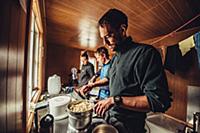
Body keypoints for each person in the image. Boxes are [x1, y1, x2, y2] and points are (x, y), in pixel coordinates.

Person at [80, 8, 172, 133]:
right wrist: (93, 84)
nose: (105, 43)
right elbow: (111, 79)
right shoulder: (116, 57)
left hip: (130, 126)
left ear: (122, 30)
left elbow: (159, 101)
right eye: (103, 38)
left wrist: (115, 100)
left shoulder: (145, 54)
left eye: (109, 36)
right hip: (110, 118)